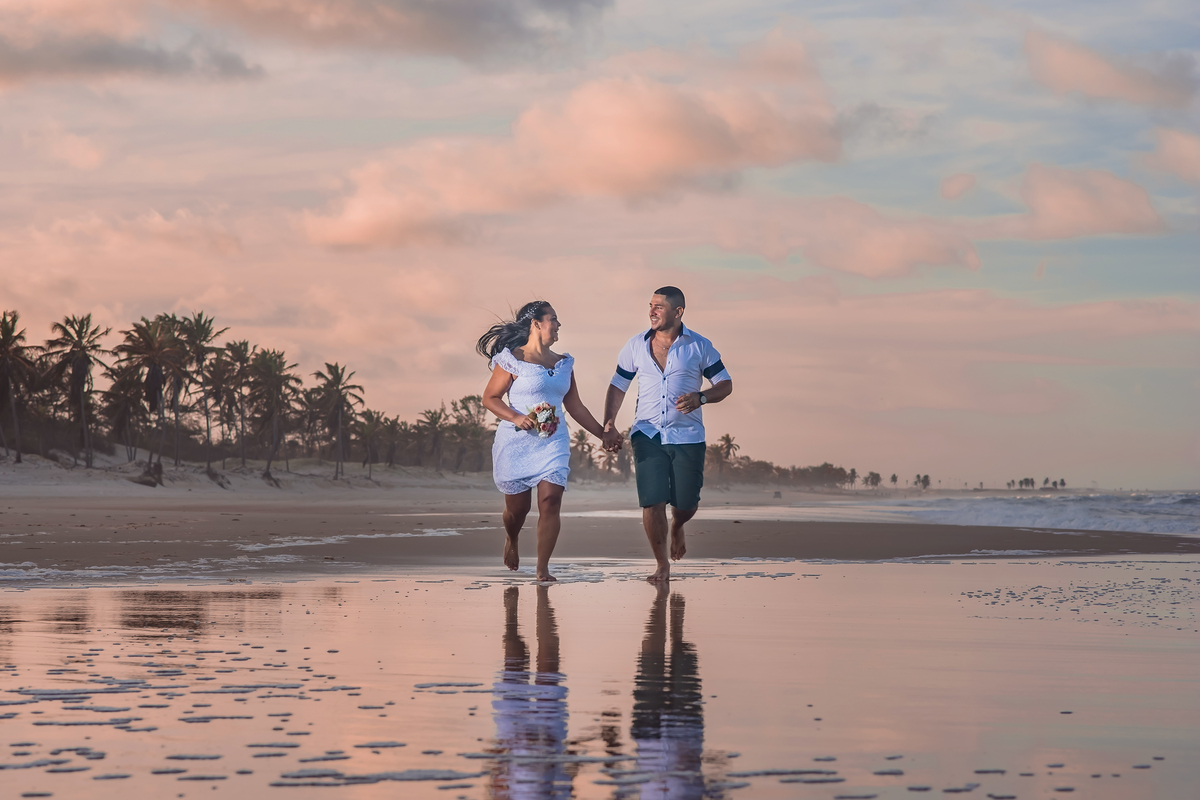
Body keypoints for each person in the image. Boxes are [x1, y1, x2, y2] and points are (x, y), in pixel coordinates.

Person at [602, 287, 733, 582]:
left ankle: (678, 526)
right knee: (652, 501)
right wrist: (609, 423)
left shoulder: (699, 346)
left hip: (688, 436)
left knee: (686, 504)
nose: (652, 311)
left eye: (659, 306)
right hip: (646, 434)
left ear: (678, 312)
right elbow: (618, 385)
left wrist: (702, 397)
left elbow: (725, 384)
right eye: (650, 305)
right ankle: (662, 564)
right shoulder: (635, 345)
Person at [479, 300, 608, 582]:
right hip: (517, 442)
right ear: (536, 323)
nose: (559, 324)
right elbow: (490, 398)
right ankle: (511, 539)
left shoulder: (563, 364)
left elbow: (576, 408)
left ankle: (542, 569)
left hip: (553, 441)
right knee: (518, 511)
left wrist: (603, 434)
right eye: (554, 318)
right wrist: (515, 417)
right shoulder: (512, 359)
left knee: (550, 500)